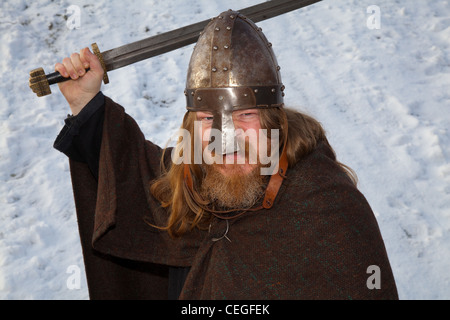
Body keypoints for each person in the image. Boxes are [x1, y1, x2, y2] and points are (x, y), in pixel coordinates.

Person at [53, 10, 398, 299]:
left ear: (273, 120)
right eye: (207, 119)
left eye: (244, 115)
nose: (226, 140)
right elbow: (135, 174)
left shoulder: (329, 209)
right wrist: (86, 104)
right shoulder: (195, 177)